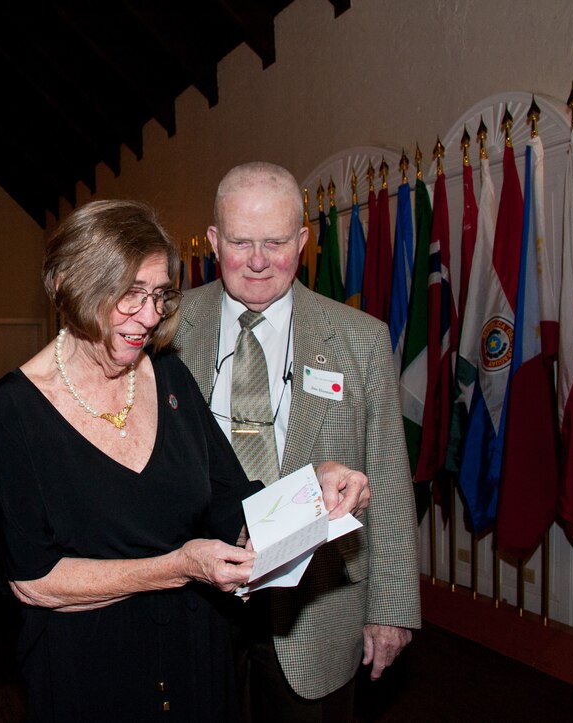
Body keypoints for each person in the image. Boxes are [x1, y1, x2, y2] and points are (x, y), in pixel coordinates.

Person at [0, 199, 370, 722]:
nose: (151, 315)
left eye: (159, 295)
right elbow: (33, 579)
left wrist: (313, 486)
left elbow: (232, 502)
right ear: (72, 284)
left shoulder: (170, 379)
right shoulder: (17, 409)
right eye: (130, 295)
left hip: (194, 655)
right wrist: (179, 567)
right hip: (89, 669)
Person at [171, 162, 421, 721]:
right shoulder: (167, 329)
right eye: (240, 243)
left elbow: (388, 475)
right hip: (196, 604)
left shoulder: (359, 339)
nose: (258, 261)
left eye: (276, 243)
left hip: (317, 607)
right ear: (214, 241)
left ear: (303, 241)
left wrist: (392, 606)